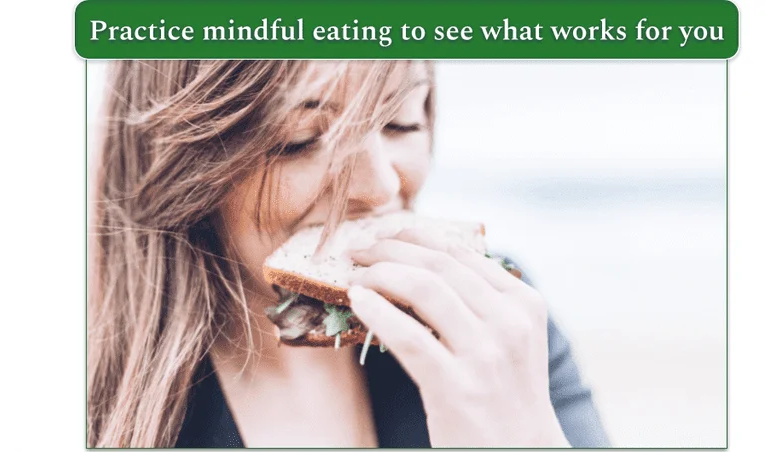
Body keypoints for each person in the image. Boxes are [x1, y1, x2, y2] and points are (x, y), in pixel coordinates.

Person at [88, 60, 609, 448]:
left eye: (402, 122)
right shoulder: (86, 391)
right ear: (181, 165)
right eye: (302, 139)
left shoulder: (498, 321)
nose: (380, 185)